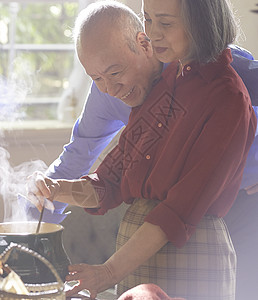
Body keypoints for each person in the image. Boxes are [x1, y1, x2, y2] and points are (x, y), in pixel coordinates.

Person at [26, 1, 257, 299]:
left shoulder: (228, 91)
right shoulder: (164, 85)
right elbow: (110, 179)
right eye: (148, 19)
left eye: (165, 23)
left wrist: (106, 273)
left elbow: (178, 211)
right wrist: (54, 189)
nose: (152, 33)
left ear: (197, 22)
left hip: (200, 244)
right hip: (141, 255)